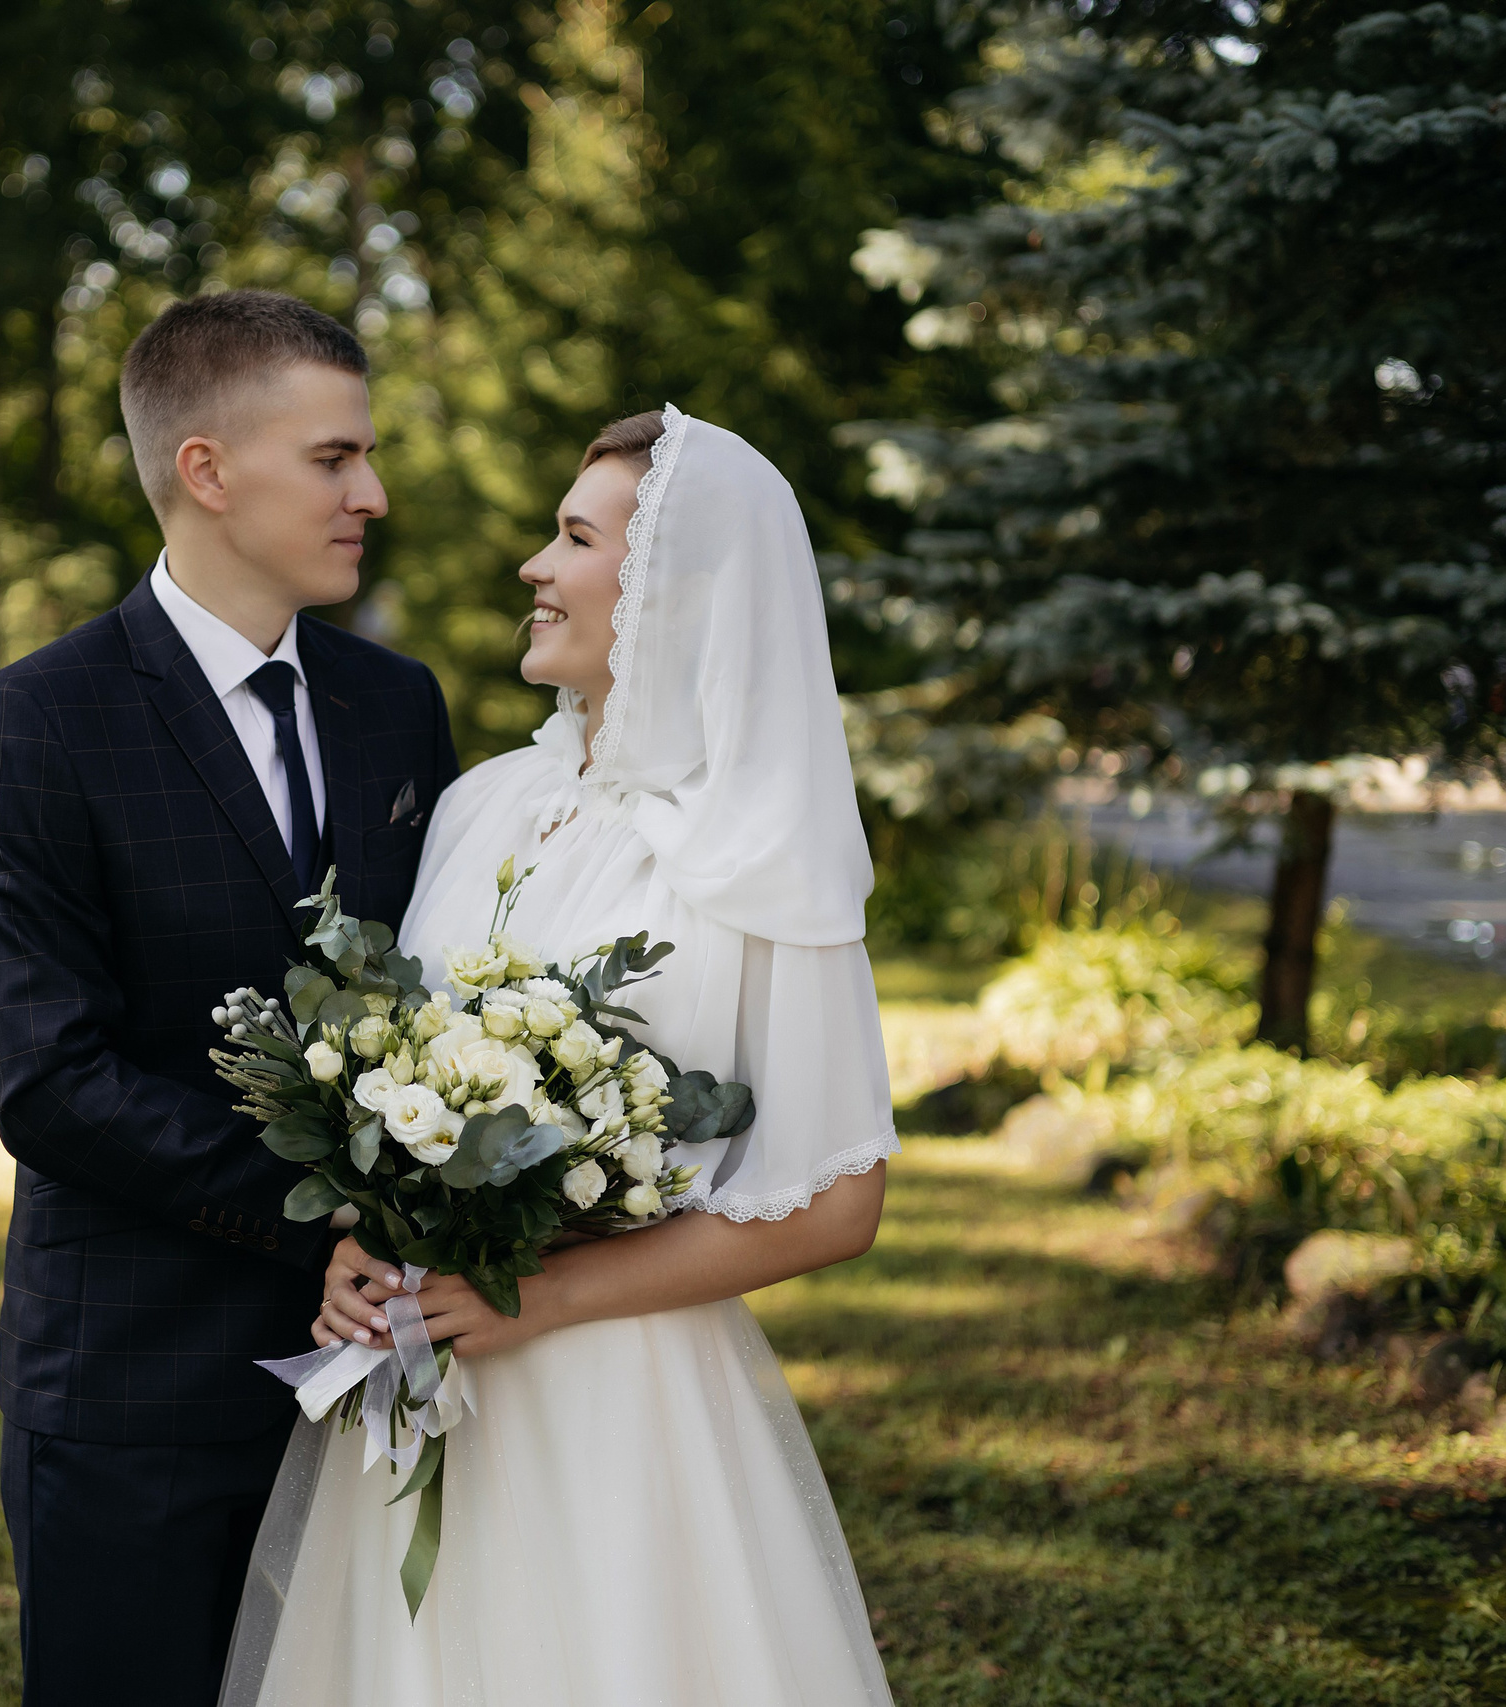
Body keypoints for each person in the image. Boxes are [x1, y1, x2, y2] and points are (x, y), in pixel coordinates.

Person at [224, 407, 901, 1705]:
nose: (536, 565)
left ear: (672, 594)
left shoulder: (759, 850)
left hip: (616, 1397)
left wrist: (536, 1298)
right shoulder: (483, 802)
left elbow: (840, 1199)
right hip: (425, 1373)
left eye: (574, 537)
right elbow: (402, 1076)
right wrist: (366, 1243)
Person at [0, 290, 462, 1707]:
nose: (373, 492)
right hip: (135, 1372)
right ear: (209, 471)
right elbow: (47, 1078)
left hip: (390, 1371)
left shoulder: (397, 704)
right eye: (335, 457)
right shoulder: (37, 720)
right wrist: (318, 1221)